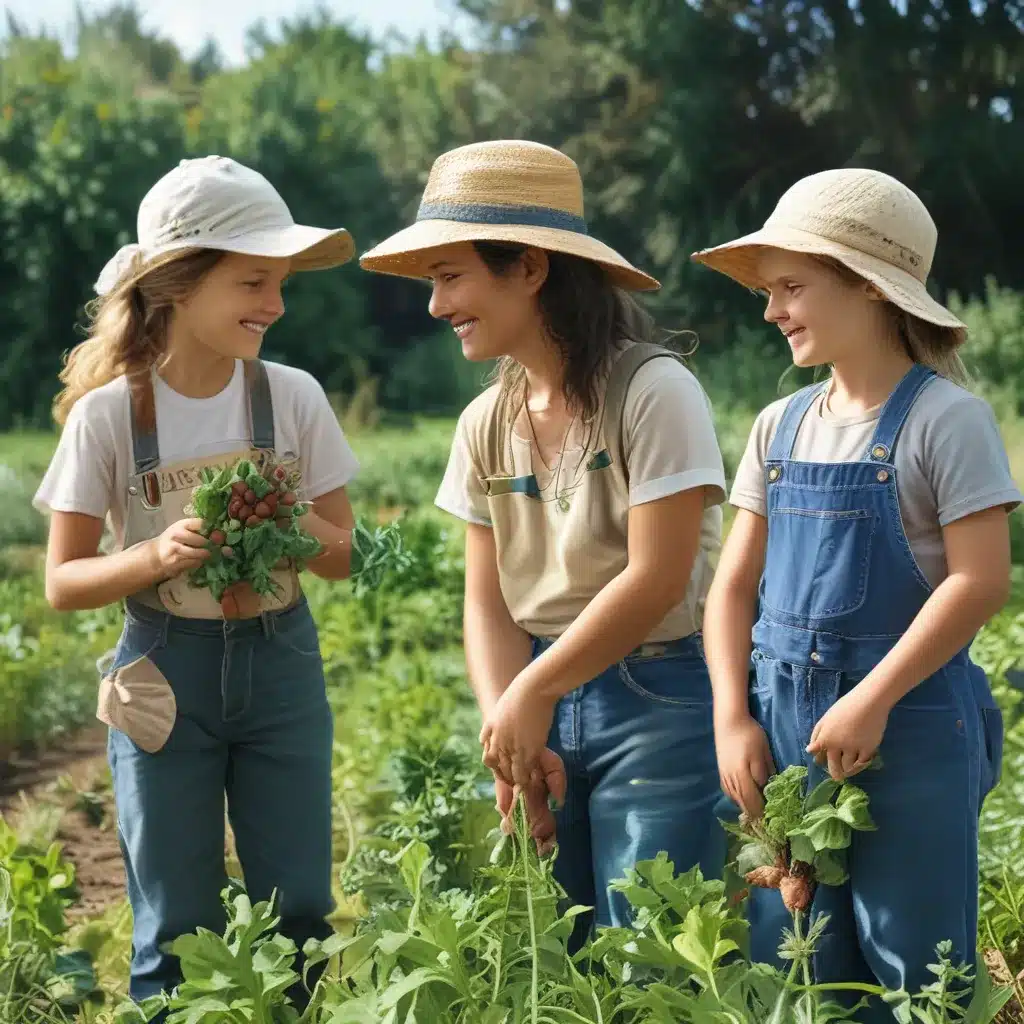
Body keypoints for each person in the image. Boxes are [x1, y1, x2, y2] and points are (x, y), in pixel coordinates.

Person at [359, 139, 729, 945]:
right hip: (538, 697)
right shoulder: (483, 423)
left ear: (529, 268)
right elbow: (486, 603)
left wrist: (533, 695)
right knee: (557, 954)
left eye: (450, 276)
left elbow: (660, 576)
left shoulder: (654, 391)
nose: (435, 305)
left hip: (659, 697)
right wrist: (509, 733)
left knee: (656, 956)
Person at [33, 156, 360, 1015]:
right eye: (254, 281)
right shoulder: (111, 416)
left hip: (282, 666)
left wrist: (287, 524)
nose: (276, 304)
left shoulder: (293, 398)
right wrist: (155, 556)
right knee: (174, 919)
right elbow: (63, 582)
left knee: (298, 910)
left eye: (281, 282)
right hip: (161, 671)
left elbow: (343, 553)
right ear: (177, 284)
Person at [694, 168, 1021, 1018]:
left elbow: (981, 581)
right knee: (796, 955)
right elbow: (732, 589)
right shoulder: (779, 425)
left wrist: (873, 698)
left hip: (907, 724)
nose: (772, 311)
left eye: (792, 287)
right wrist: (733, 714)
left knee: (916, 962)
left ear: (870, 288)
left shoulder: (948, 421)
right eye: (770, 292)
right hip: (782, 719)